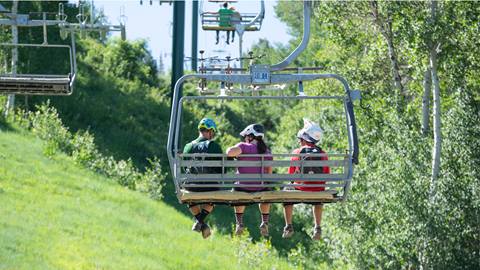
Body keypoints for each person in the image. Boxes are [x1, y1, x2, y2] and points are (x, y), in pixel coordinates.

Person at [282, 119, 330, 241]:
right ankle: (317, 227)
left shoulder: (297, 152)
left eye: (300, 139)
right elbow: (327, 175)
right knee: (318, 197)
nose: (299, 142)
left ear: (305, 138)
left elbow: (291, 176)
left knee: (286, 192)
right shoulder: (323, 154)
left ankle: (288, 226)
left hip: (301, 188)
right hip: (318, 190)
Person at [226, 124, 272, 237]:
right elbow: (269, 172)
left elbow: (229, 153)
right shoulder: (266, 151)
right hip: (260, 187)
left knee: (237, 191)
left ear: (251, 136)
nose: (245, 139)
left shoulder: (244, 146)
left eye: (246, 136)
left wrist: (228, 148)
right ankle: (265, 221)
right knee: (266, 193)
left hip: (243, 186)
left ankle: (239, 223)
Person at [183, 118, 223, 239]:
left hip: (191, 186)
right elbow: (222, 169)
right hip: (209, 186)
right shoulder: (214, 146)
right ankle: (200, 222)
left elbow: (185, 168)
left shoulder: (188, 147)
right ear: (210, 131)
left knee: (189, 198)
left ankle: (200, 223)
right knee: (213, 198)